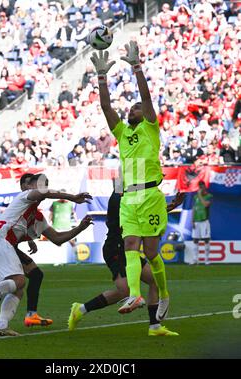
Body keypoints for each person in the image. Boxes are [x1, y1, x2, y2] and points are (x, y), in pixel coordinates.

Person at [0, 174, 93, 332]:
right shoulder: (25, 196)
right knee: (19, 281)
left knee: (13, 289)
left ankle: (1, 326)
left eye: (46, 185)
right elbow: (43, 194)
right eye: (41, 185)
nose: (43, 189)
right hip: (0, 242)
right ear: (30, 186)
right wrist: (73, 197)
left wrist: (80, 228)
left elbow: (57, 238)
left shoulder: (35, 215)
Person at [90, 42, 169, 321]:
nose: (134, 108)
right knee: (130, 246)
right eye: (133, 107)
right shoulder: (122, 132)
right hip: (128, 196)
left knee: (150, 251)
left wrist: (137, 67)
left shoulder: (149, 127)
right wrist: (101, 77)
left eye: (137, 107)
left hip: (149, 194)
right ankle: (135, 293)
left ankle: (164, 292)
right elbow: (105, 106)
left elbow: (146, 99)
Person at [68, 190, 185, 336]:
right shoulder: (119, 197)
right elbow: (138, 215)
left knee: (154, 280)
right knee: (126, 292)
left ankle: (155, 327)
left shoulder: (130, 194)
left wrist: (171, 206)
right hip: (116, 248)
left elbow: (144, 215)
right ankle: (81, 309)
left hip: (128, 250)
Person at [191, 181, 213, 265]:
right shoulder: (195, 197)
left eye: (202, 186)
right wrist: (192, 220)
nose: (200, 188)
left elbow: (206, 204)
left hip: (204, 221)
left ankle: (206, 260)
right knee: (195, 240)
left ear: (205, 187)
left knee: (206, 239)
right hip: (196, 221)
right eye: (199, 186)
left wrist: (200, 195)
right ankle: (195, 259)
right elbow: (194, 208)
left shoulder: (209, 196)